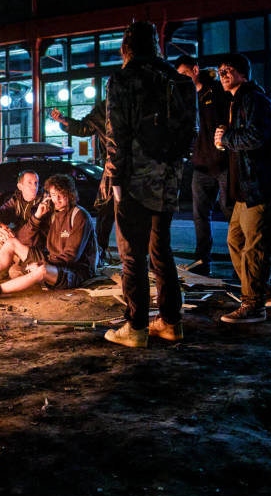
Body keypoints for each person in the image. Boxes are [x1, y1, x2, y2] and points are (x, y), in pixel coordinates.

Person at [103, 21, 198, 348]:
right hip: (169, 177)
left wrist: (115, 177)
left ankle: (137, 326)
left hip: (134, 178)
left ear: (125, 48)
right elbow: (191, 135)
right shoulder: (180, 81)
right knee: (162, 250)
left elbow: (117, 133)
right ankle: (171, 321)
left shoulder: (123, 79)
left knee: (132, 254)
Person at [214, 53, 271, 324]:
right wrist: (226, 138)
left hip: (260, 185)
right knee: (236, 240)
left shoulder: (253, 98)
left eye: (228, 71)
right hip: (246, 187)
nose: (223, 75)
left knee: (255, 247)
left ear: (243, 74)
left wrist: (227, 137)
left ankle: (253, 305)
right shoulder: (239, 100)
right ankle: (261, 290)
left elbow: (256, 137)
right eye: (220, 71)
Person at [0, 174, 97, 299]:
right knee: (11, 242)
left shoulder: (79, 216)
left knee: (42, 271)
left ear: (70, 194)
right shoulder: (52, 213)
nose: (57, 199)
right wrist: (37, 217)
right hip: (51, 259)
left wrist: (40, 263)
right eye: (53, 195)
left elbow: (71, 256)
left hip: (73, 270)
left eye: (61, 195)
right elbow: (24, 239)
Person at [175, 55, 231, 276]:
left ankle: (239, 262)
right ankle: (202, 261)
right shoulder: (187, 99)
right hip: (200, 166)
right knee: (200, 215)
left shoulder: (216, 91)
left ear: (195, 70)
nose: (182, 79)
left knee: (230, 213)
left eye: (184, 74)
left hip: (223, 164)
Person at [50, 101, 115, 264]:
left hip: (134, 169)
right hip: (114, 168)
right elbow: (84, 127)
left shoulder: (136, 105)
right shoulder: (104, 109)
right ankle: (99, 251)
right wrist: (64, 121)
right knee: (106, 209)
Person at [0, 170, 46, 277]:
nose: (34, 186)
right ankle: (5, 266)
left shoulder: (43, 203)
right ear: (20, 186)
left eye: (36, 183)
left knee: (14, 273)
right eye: (30, 183)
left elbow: (31, 233)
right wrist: (1, 226)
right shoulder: (16, 201)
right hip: (16, 243)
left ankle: (9, 267)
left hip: (32, 250)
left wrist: (13, 237)